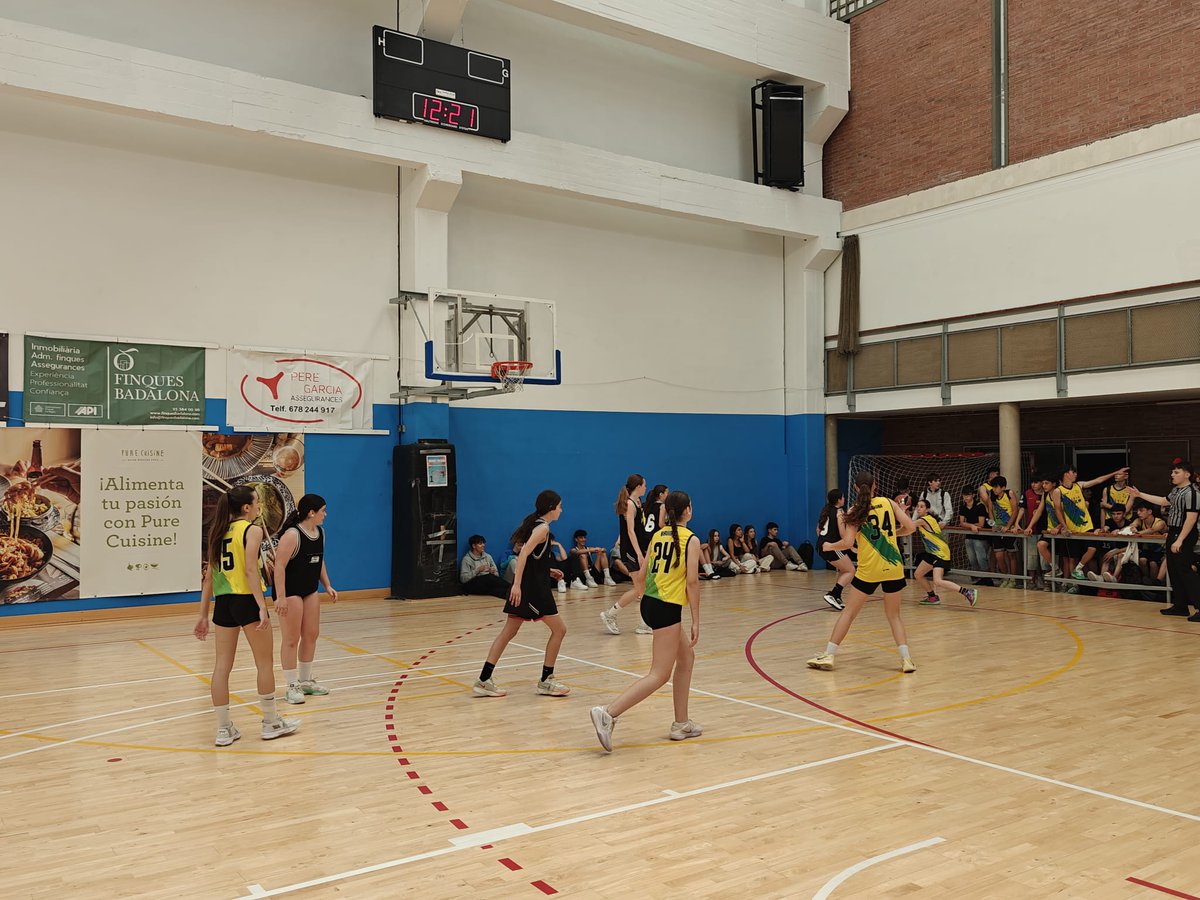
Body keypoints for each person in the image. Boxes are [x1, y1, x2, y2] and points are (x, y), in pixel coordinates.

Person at [590, 490, 702, 751]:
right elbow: (693, 582)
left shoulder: (657, 536)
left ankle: (681, 723)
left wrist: (644, 596)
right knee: (659, 674)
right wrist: (696, 620)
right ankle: (608, 713)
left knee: (686, 659)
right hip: (666, 608)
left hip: (651, 604)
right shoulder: (691, 539)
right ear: (687, 511)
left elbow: (640, 574)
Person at [193, 485, 300, 746]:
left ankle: (223, 729)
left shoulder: (217, 531)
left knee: (221, 667)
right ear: (246, 507)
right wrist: (261, 606)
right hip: (246, 600)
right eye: (256, 503)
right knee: (264, 663)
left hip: (224, 604)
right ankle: (271, 722)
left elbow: (208, 578)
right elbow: (251, 571)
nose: (259, 508)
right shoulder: (250, 531)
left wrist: (203, 615)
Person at [807, 471, 918, 674]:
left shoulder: (855, 510)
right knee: (894, 616)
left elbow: (847, 543)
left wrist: (829, 546)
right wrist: (895, 532)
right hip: (893, 567)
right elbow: (910, 527)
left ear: (856, 488)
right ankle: (907, 659)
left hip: (869, 570)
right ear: (875, 485)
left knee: (848, 613)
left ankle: (829, 655)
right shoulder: (888, 503)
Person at [472, 490, 570, 697]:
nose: (562, 510)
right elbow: (523, 553)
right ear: (551, 507)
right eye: (560, 506)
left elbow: (533, 558)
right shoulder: (542, 527)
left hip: (531, 585)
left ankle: (483, 679)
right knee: (559, 630)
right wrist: (516, 585)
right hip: (534, 591)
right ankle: (546, 680)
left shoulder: (537, 525)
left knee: (509, 632)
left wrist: (548, 570)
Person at [273, 493, 337, 705]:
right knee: (291, 639)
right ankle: (291, 686)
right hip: (290, 592)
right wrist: (280, 597)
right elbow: (279, 566)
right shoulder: (292, 535)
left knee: (311, 634)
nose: (325, 515)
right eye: (323, 511)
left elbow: (319, 561)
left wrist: (327, 585)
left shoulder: (321, 533)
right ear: (311, 513)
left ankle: (305, 681)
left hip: (309, 590)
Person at [1129, 461, 1200, 620]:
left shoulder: (1192, 493)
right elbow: (1162, 501)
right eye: (1172, 472)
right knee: (1174, 570)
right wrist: (1140, 494)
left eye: (1176, 472)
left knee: (1186, 571)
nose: (1172, 475)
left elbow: (1191, 518)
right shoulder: (1176, 490)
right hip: (1173, 531)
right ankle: (1180, 606)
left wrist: (1180, 539)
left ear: (1187, 474)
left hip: (1184, 533)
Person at [1052, 465, 1129, 586]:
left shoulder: (1079, 485)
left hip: (1087, 526)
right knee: (1072, 557)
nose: (1076, 474)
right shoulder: (1058, 491)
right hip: (1072, 529)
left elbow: (1098, 480)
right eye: (1073, 472)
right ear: (1066, 474)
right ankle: (1073, 584)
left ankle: (1079, 568)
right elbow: (1057, 510)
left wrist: (1116, 472)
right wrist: (1064, 526)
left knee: (1092, 549)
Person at [600, 475, 654, 635]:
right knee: (641, 588)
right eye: (644, 484)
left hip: (635, 550)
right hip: (630, 552)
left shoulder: (636, 503)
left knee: (641, 589)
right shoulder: (630, 504)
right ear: (638, 486)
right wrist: (638, 553)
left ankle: (640, 623)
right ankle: (611, 615)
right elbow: (630, 530)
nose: (646, 487)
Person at [913, 498, 979, 606]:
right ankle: (932, 597)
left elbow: (908, 525)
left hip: (940, 552)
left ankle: (967, 592)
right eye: (917, 506)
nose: (919, 509)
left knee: (938, 581)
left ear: (927, 510)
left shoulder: (925, 520)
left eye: (922, 507)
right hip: (932, 553)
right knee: (918, 574)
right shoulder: (923, 519)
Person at [984, 476, 1023, 589]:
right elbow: (990, 510)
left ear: (1003, 487)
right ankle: (1005, 576)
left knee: (1011, 554)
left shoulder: (1009, 493)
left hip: (1009, 529)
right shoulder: (992, 495)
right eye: (993, 487)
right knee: (999, 555)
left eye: (996, 487)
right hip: (998, 529)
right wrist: (993, 524)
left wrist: (1008, 526)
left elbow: (1015, 510)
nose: (994, 489)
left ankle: (1013, 579)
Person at [816, 489, 851, 611]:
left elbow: (818, 531)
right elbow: (842, 534)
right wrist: (851, 544)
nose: (844, 499)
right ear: (839, 500)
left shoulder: (825, 511)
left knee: (844, 569)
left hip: (821, 546)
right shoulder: (839, 513)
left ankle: (837, 596)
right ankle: (833, 594)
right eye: (843, 497)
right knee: (851, 571)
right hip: (832, 547)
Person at [460, 534, 512, 600]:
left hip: (487, 584)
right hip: (472, 585)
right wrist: (478, 570)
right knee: (489, 578)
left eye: (483, 543)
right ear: (474, 546)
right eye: (480, 544)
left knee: (493, 589)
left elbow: (496, 575)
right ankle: (512, 588)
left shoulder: (488, 557)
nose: (483, 545)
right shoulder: (466, 559)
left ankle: (510, 596)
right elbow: (463, 579)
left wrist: (492, 572)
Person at [1022, 475, 1050, 591]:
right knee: (1031, 558)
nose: (1034, 485)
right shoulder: (1027, 494)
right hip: (1032, 531)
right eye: (1032, 482)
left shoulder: (1048, 495)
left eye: (1037, 482)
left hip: (1046, 530)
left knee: (1045, 560)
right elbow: (1022, 509)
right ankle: (1032, 580)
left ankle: (1047, 581)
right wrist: (1023, 525)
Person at [958, 487, 991, 583]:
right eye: (964, 495)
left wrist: (968, 525)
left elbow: (981, 524)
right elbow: (961, 522)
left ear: (973, 495)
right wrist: (971, 526)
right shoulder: (963, 507)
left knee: (981, 558)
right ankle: (976, 576)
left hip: (980, 537)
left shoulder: (979, 506)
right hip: (969, 536)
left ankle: (986, 577)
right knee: (972, 558)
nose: (966, 498)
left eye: (968, 495)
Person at [1131, 501, 1168, 582]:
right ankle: (1146, 579)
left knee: (1153, 564)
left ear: (1150, 511)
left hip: (1161, 550)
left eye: (1141, 510)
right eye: (1137, 511)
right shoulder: (1139, 520)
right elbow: (1133, 525)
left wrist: (1137, 533)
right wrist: (1132, 528)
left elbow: (1152, 530)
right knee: (1142, 560)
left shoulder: (1160, 522)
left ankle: (1154, 584)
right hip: (1148, 548)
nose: (1138, 513)